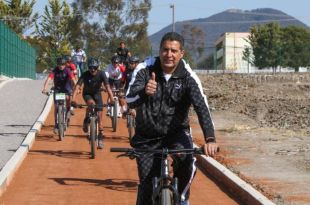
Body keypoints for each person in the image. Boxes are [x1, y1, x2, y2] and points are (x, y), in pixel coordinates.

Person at [126, 32, 218, 205]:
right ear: (159, 50)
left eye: (174, 51)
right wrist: (144, 92)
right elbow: (129, 99)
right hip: (147, 135)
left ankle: (182, 198)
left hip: (177, 133)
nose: (169, 54)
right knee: (146, 187)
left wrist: (210, 138)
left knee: (187, 162)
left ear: (181, 53)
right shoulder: (145, 69)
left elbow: (201, 106)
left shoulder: (188, 76)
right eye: (165, 50)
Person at [71, 57, 114, 149]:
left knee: (100, 119)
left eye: (94, 68)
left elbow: (107, 87)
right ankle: (86, 120)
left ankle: (100, 138)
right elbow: (77, 86)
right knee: (91, 104)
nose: (92, 70)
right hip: (87, 94)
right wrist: (73, 99)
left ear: (97, 67)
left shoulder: (102, 74)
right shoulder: (85, 74)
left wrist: (112, 99)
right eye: (90, 68)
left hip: (97, 94)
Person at [42, 57, 76, 133]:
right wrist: (44, 88)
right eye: (59, 64)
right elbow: (49, 79)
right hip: (57, 89)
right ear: (57, 65)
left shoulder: (67, 70)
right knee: (56, 106)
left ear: (65, 65)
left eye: (63, 64)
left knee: (68, 99)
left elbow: (73, 79)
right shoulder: (55, 71)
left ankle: (68, 110)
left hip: (66, 88)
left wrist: (76, 87)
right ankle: (56, 124)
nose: (61, 66)